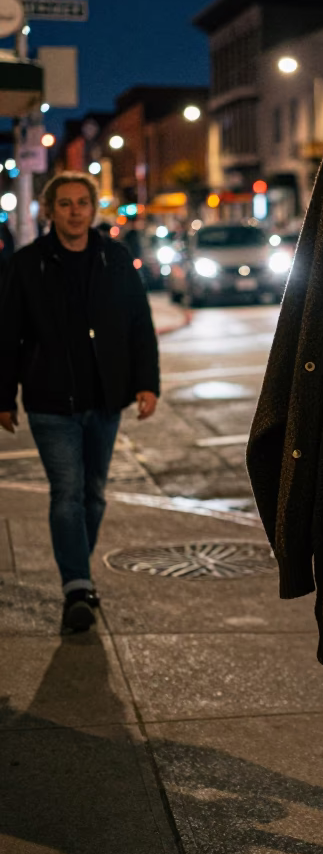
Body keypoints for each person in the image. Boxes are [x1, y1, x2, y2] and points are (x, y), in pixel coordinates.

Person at [0, 172, 160, 632]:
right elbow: (7, 334)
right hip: (50, 402)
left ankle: (77, 571)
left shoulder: (115, 258)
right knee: (67, 492)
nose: (74, 212)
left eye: (82, 203)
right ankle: (76, 586)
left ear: (92, 209)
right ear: (50, 210)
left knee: (93, 495)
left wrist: (146, 383)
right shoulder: (28, 264)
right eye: (65, 204)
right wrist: (4, 395)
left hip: (105, 399)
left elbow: (139, 323)